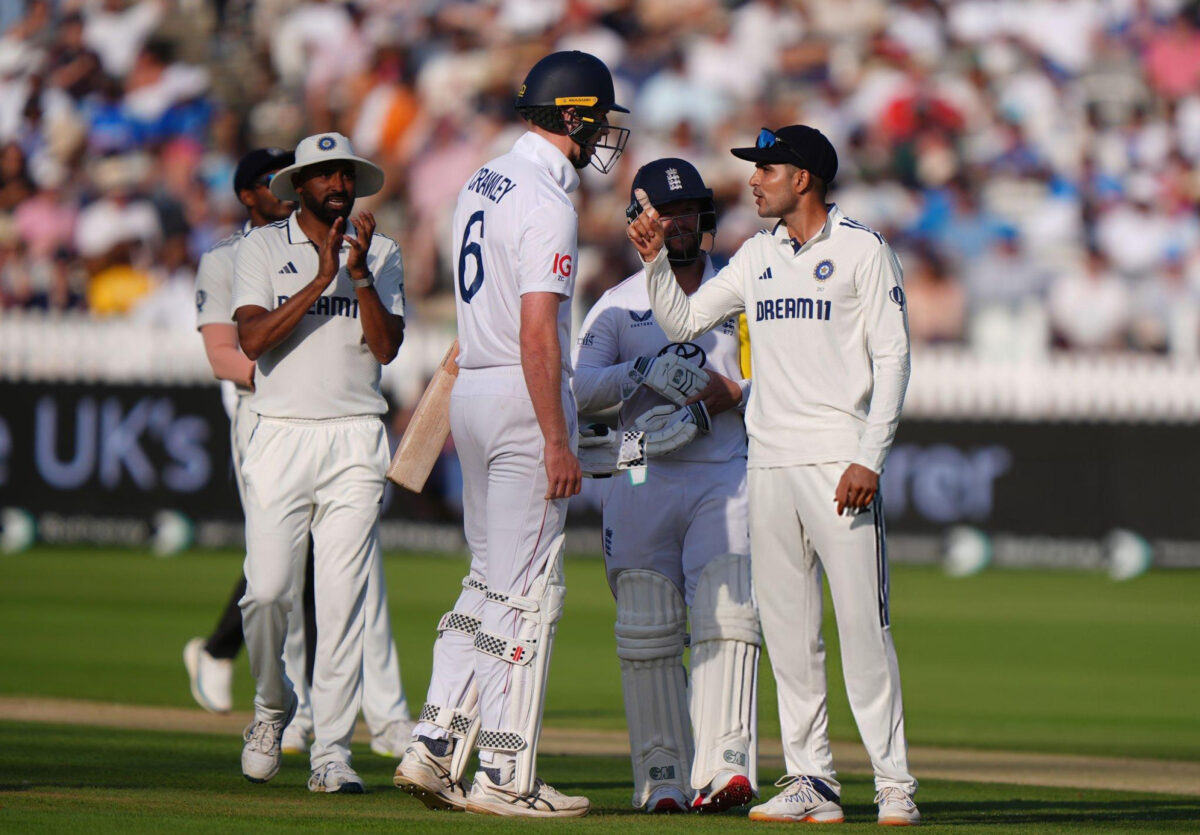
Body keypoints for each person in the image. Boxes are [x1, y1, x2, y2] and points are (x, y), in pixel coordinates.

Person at [626, 125, 920, 826]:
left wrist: (868, 458)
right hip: (770, 464)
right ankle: (811, 779)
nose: (753, 181)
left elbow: (895, 361)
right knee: (789, 634)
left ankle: (894, 785)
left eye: (767, 169)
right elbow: (686, 322)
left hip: (837, 461)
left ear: (805, 180)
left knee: (863, 629)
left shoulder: (862, 250)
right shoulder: (756, 256)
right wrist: (657, 262)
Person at [394, 50, 629, 818]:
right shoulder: (545, 200)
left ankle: (435, 742)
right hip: (523, 396)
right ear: (569, 118)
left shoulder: (482, 178)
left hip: (473, 387)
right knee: (525, 593)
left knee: (487, 580)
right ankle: (504, 772)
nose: (602, 136)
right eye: (595, 121)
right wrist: (559, 441)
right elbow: (539, 332)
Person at [186, 148, 415, 762]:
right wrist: (320, 278)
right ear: (301, 185)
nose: (339, 185)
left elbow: (387, 348)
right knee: (266, 593)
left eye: (347, 175)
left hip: (353, 434)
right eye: (326, 175)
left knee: (343, 603)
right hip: (278, 430)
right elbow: (251, 341)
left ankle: (333, 752)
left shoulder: (384, 251)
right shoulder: (256, 251)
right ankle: (271, 706)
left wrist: (358, 274)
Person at [573, 158, 761, 814]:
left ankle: (727, 766)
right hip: (642, 472)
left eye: (689, 211)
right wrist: (646, 371)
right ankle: (663, 776)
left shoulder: (737, 292)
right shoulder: (618, 304)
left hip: (723, 473)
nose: (680, 223)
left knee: (729, 609)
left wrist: (728, 395)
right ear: (637, 220)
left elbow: (778, 377)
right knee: (647, 624)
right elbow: (584, 391)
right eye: (665, 211)